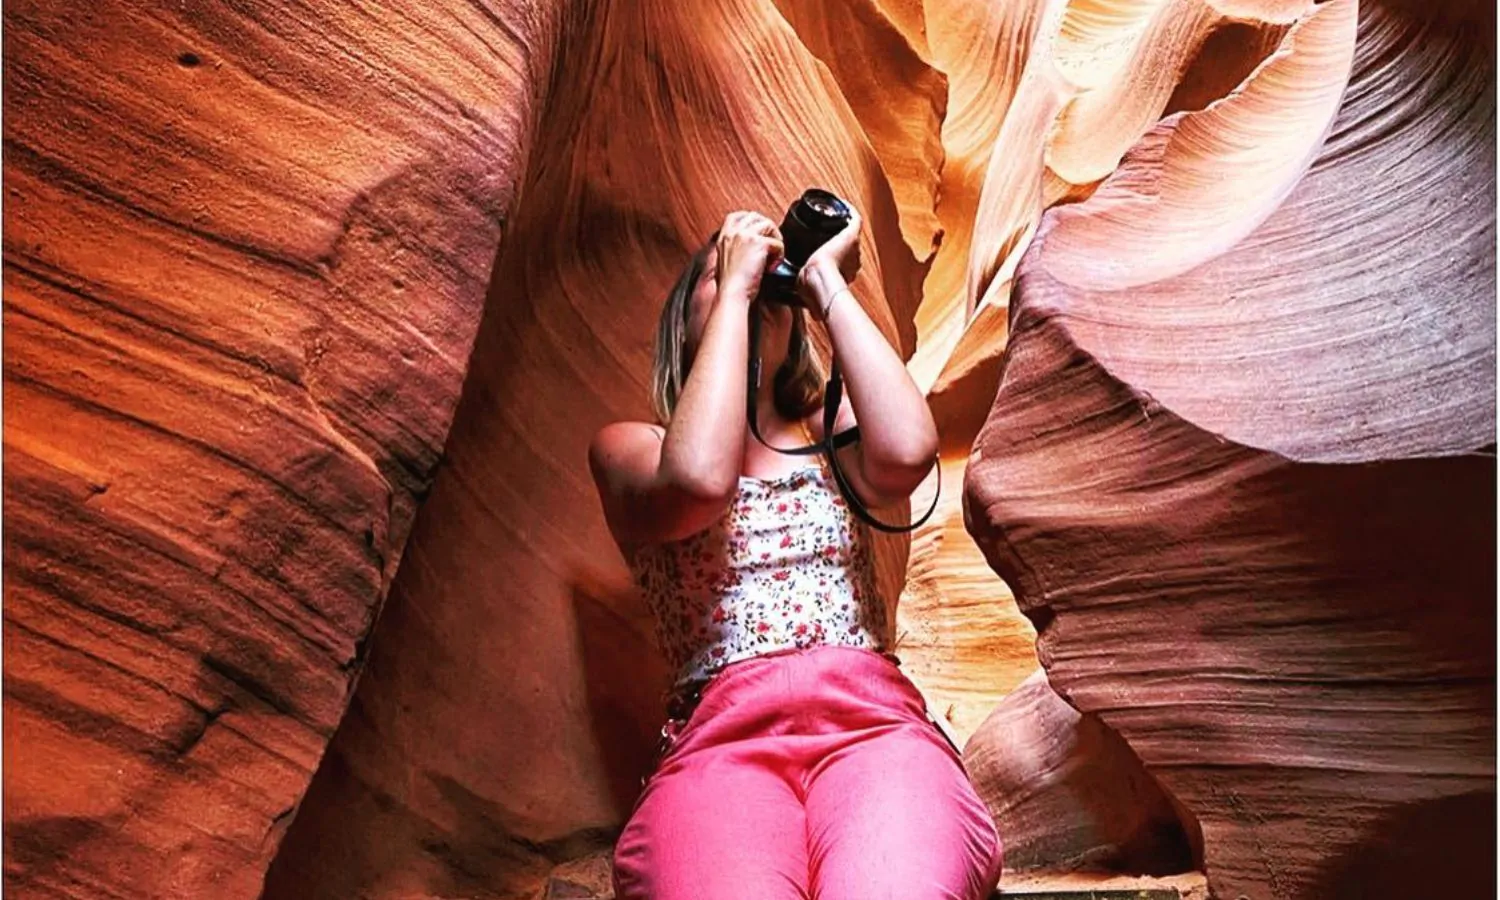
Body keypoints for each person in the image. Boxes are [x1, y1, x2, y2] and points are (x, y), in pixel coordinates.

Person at [589, 204, 1004, 900]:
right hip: (723, 745)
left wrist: (824, 285)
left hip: (874, 730)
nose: (751, 292)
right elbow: (698, 482)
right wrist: (741, 287)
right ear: (683, 322)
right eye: (716, 281)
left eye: (766, 289)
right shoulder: (636, 448)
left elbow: (907, 455)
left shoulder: (825, 428)